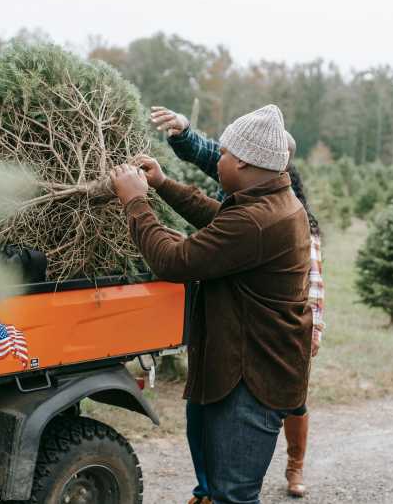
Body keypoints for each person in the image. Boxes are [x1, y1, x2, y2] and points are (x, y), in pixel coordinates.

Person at [109, 105, 313, 504]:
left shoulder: (259, 219)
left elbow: (175, 261)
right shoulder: (265, 203)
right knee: (217, 490)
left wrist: (135, 202)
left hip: (252, 379)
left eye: (221, 154)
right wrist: (163, 184)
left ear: (242, 162)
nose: (215, 158)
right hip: (234, 366)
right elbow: (220, 218)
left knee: (232, 495)